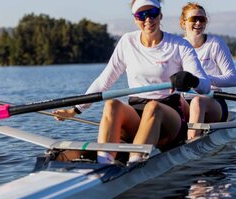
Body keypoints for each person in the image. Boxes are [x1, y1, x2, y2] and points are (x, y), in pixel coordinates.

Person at [53, 0, 211, 164]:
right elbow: (104, 81)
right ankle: (104, 163)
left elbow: (205, 87)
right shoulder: (127, 42)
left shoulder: (179, 45)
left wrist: (191, 79)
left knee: (153, 107)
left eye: (152, 13)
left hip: (169, 117)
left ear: (160, 15)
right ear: (135, 19)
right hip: (137, 112)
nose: (147, 19)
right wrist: (75, 110)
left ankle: (135, 162)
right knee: (112, 104)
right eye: (141, 15)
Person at [179, 2, 236, 139]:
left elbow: (233, 79)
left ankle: (191, 144)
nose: (198, 23)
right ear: (183, 23)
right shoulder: (178, 46)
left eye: (202, 19)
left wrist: (202, 81)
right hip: (185, 102)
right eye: (194, 19)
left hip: (213, 102)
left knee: (197, 101)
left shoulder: (215, 44)